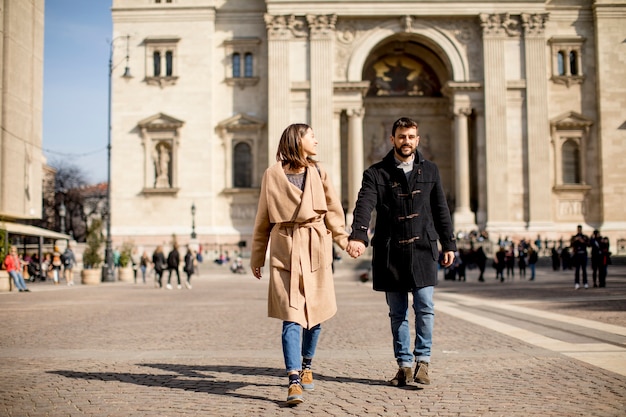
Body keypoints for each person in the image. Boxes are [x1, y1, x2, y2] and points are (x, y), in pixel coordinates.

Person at [345, 117, 456, 388]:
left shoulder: (430, 171)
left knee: (425, 307)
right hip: (390, 250)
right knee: (397, 313)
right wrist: (359, 234)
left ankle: (423, 362)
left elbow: (440, 208)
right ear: (392, 139)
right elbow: (364, 203)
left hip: (423, 248)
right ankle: (404, 365)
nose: (406, 141)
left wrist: (449, 243)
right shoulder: (375, 173)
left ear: (417, 140)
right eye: (401, 136)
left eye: (411, 136)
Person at [250, 123, 349, 405]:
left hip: (315, 245)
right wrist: (258, 257)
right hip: (285, 249)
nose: (316, 140)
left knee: (315, 315)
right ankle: (293, 379)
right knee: (291, 316)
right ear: (297, 140)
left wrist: (344, 240)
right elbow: (262, 219)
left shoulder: (319, 172)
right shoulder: (271, 175)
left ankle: (307, 364)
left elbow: (333, 211)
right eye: (311, 136)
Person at [571, 225, 589, 289]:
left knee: (584, 270)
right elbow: (571, 244)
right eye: (578, 229)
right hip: (577, 255)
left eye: (580, 229)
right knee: (577, 270)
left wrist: (582, 241)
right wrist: (575, 240)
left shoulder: (584, 237)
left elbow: (588, 244)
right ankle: (577, 283)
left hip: (583, 255)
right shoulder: (574, 237)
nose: (579, 230)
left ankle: (585, 283)